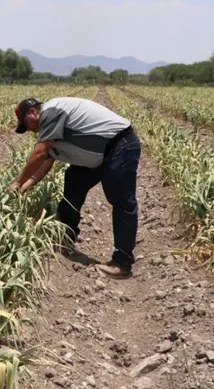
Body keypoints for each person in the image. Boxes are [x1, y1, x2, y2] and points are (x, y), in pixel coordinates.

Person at [9, 96, 141, 279]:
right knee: (73, 181)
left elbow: (40, 153)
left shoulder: (51, 111)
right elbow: (45, 165)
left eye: (27, 124)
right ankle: (66, 240)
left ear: (33, 112)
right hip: (99, 155)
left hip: (119, 146)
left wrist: (17, 182)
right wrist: (26, 185)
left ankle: (122, 263)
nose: (30, 130)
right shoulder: (50, 131)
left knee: (121, 201)